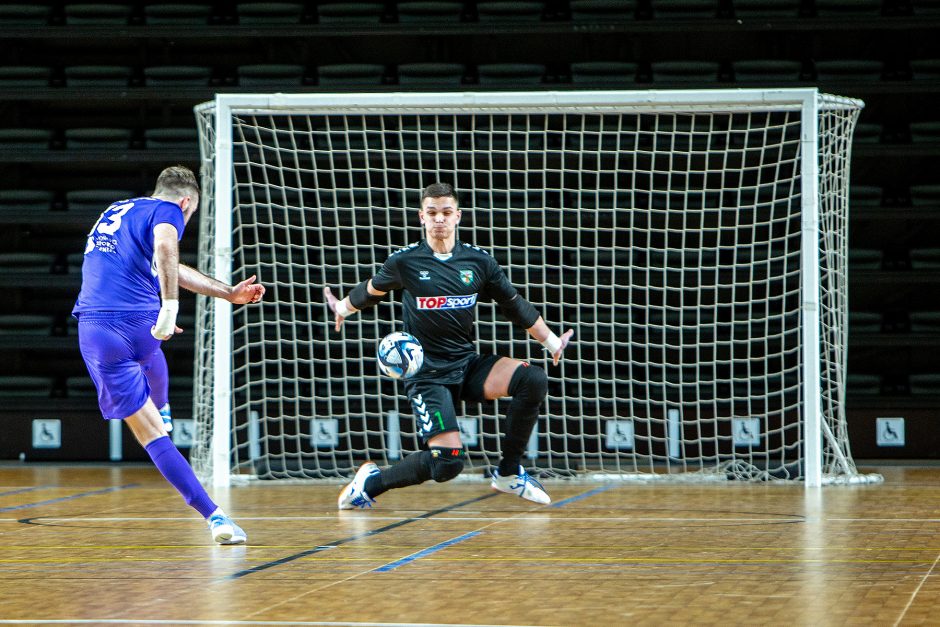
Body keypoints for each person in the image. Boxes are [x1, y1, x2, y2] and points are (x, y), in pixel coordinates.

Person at [325, 182, 573, 509]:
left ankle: (509, 474)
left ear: (458, 216)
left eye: (445, 212)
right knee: (447, 463)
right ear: (421, 218)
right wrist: (341, 308)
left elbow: (516, 305)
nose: (439, 219)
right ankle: (371, 481)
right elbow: (370, 291)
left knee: (534, 379)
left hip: (465, 364)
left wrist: (552, 342)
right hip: (427, 375)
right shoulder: (405, 262)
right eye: (432, 213)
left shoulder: (478, 262)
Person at [72, 165, 266, 544]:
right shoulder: (170, 210)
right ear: (186, 201)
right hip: (142, 321)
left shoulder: (118, 210)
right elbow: (166, 248)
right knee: (151, 346)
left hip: (96, 328)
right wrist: (170, 306)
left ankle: (215, 514)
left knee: (151, 436)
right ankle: (163, 408)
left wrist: (226, 292)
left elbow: (166, 264)